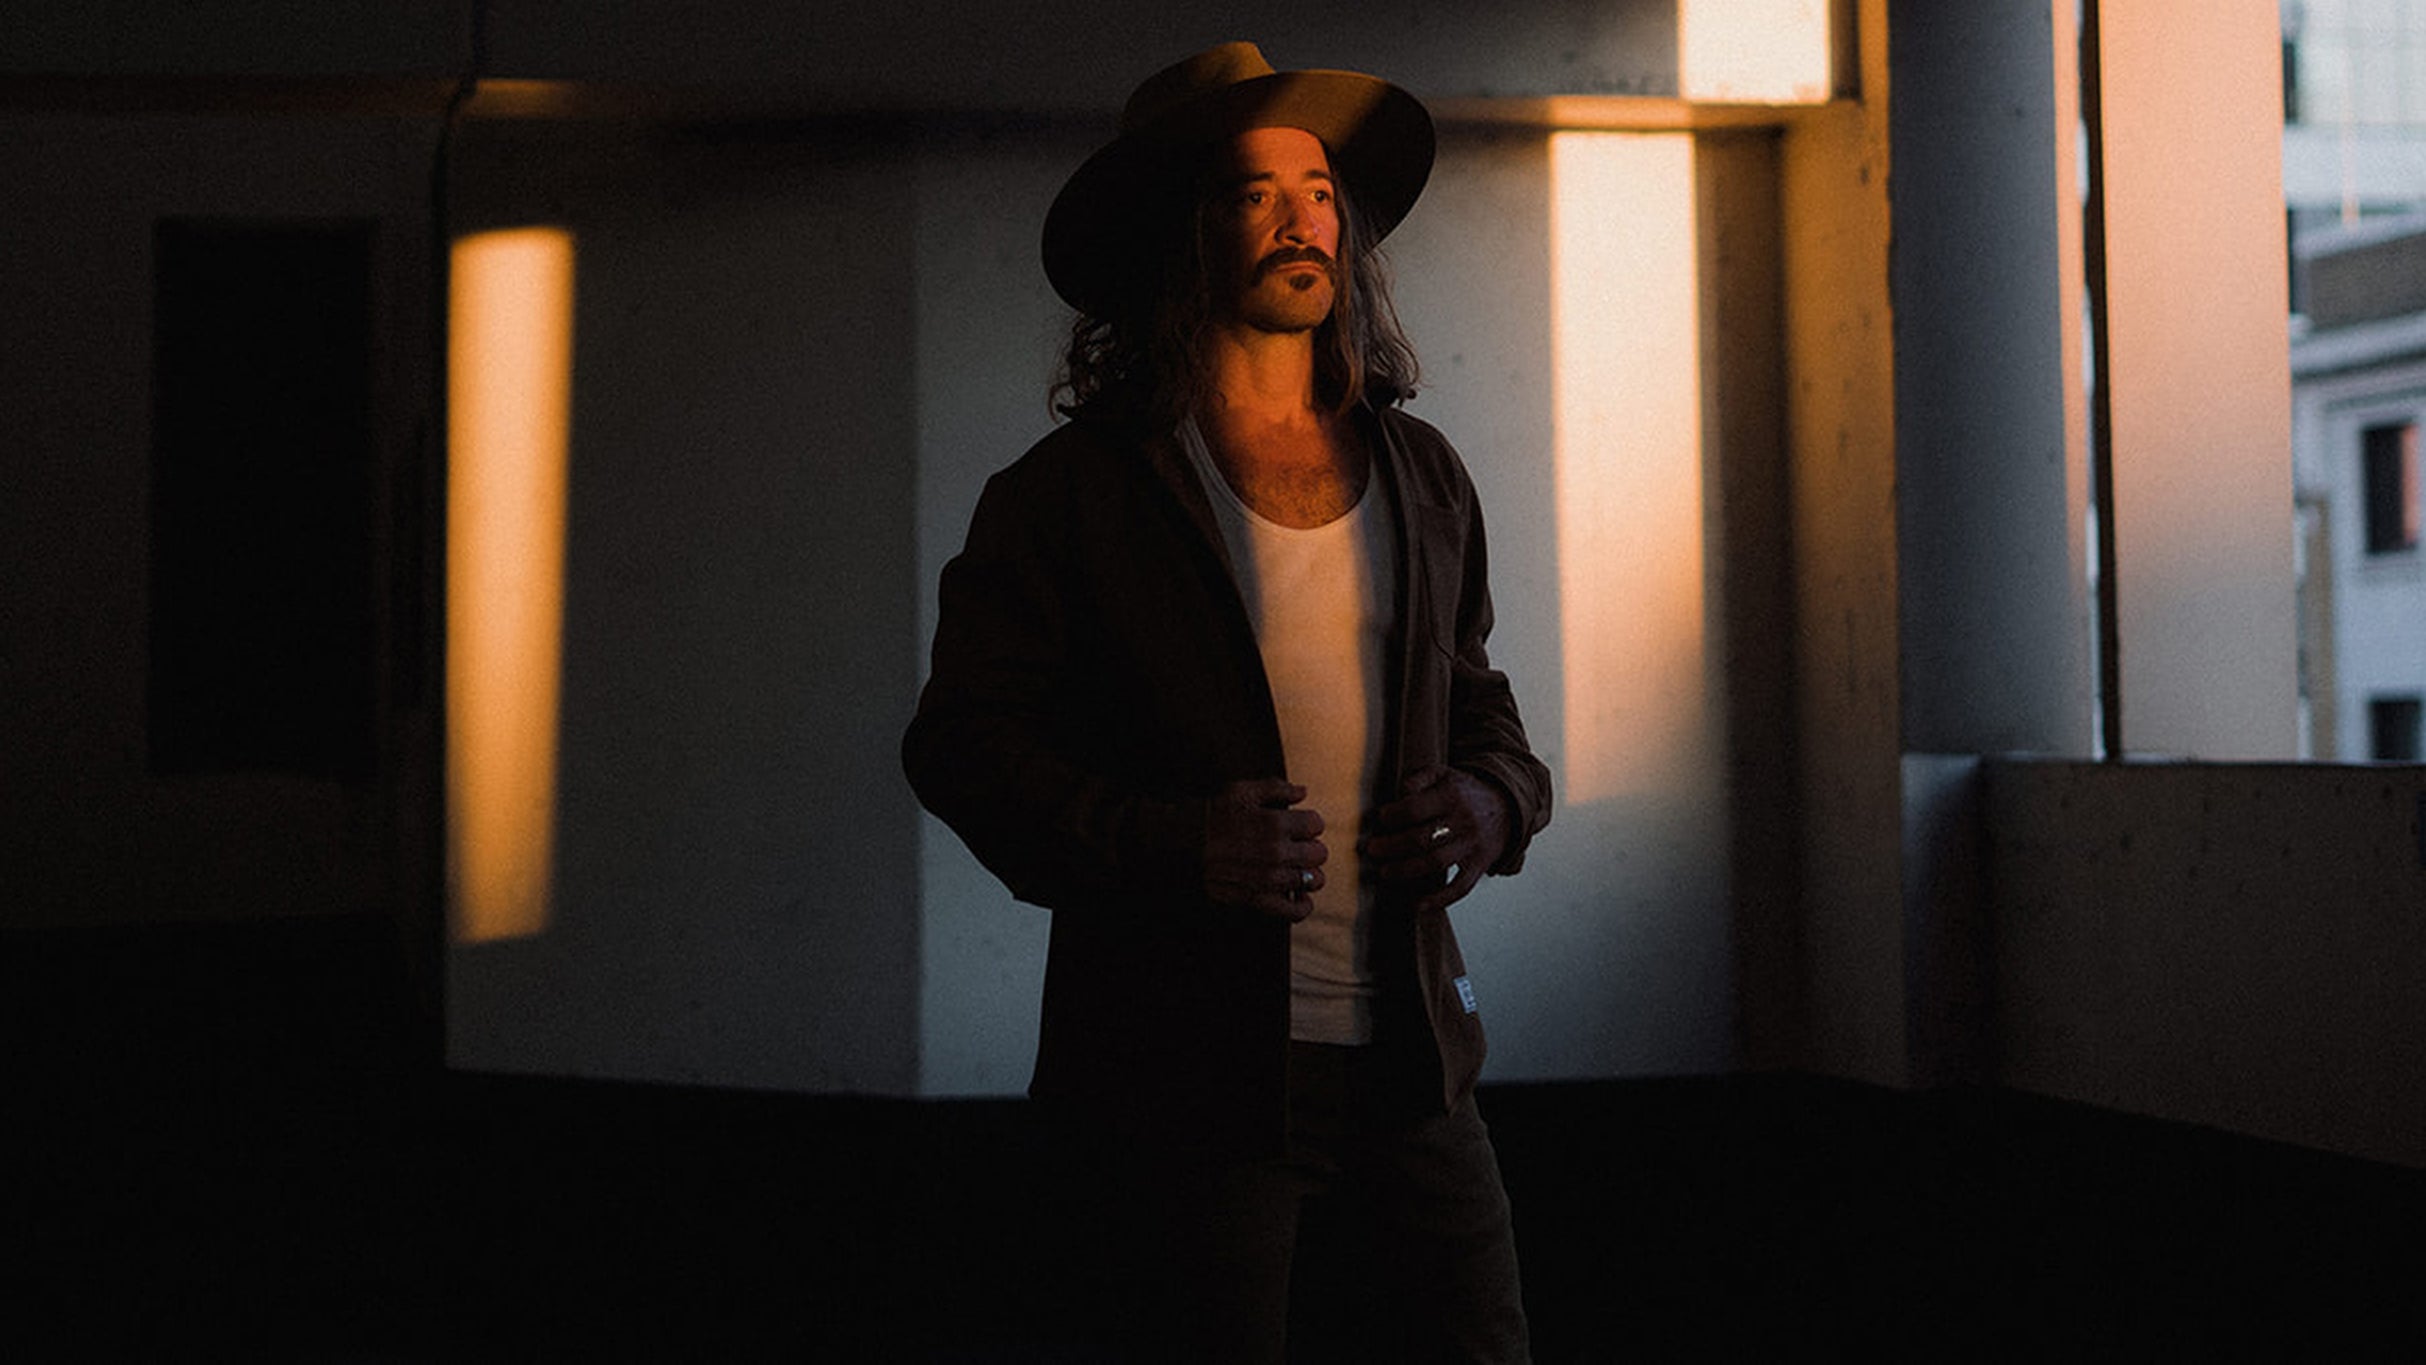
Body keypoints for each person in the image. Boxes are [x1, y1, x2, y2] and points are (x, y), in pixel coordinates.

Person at [902, 41, 1551, 1363]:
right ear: (1177, 235)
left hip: (1415, 1066)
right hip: (1180, 1090)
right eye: (1253, 193)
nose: (1299, 218)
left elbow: (1483, 708)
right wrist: (1174, 842)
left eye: (1315, 190)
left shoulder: (1422, 472)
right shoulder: (1069, 496)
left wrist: (1494, 803)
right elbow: (960, 747)